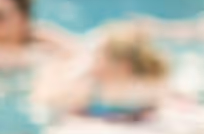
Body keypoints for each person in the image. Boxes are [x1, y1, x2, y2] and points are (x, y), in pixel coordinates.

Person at [34, 23, 174, 123]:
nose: (91, 59)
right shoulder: (152, 85)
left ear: (122, 66)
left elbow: (42, 100)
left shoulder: (89, 90)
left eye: (97, 54)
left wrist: (51, 69)